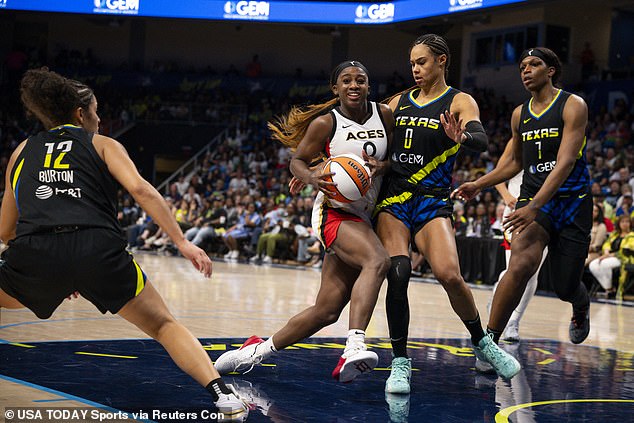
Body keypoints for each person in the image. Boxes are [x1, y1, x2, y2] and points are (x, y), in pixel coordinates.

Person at [0, 68, 248, 421]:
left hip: (37, 251)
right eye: (96, 112)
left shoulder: (21, 151)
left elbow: (5, 229)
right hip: (98, 250)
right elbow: (142, 190)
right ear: (79, 114)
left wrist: (53, 270)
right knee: (163, 325)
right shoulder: (103, 144)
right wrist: (181, 242)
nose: (100, 119)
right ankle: (224, 397)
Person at [214, 60, 393, 383]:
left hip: (367, 216)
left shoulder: (386, 116)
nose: (354, 85)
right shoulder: (326, 123)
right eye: (347, 81)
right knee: (377, 261)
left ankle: (254, 352)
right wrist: (311, 175)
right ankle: (354, 346)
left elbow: (393, 159)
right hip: (334, 213)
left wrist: (382, 166)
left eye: (361, 80)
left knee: (325, 311)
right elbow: (297, 161)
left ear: (369, 86)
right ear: (335, 88)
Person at [374, 34, 520, 394]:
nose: (415, 69)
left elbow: (481, 139)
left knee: (450, 275)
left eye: (421, 61)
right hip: (395, 198)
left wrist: (463, 138)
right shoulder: (397, 101)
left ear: (442, 61)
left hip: (432, 199)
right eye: (412, 63)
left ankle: (483, 343)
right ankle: (400, 362)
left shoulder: (459, 100)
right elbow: (359, 126)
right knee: (399, 270)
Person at [452, 48, 593, 358]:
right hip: (533, 198)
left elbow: (566, 162)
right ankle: (490, 345)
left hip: (571, 201)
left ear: (551, 70)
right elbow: (515, 162)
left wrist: (535, 206)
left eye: (535, 64)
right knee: (519, 266)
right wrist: (480, 183)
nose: (526, 70)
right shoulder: (519, 114)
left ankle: (580, 304)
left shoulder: (573, 105)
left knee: (564, 286)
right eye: (522, 66)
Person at [488, 141, 546, 344]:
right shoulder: (518, 139)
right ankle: (499, 297)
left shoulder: (554, 138)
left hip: (541, 211)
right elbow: (499, 173)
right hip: (515, 210)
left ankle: (514, 320)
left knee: (532, 273)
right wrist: (506, 196)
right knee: (513, 269)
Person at [588, 214, 633, 297]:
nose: (624, 224)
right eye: (622, 222)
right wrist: (606, 251)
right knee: (593, 264)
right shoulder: (615, 234)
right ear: (619, 223)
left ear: (630, 223)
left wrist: (611, 255)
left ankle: (610, 289)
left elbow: (627, 250)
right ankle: (609, 288)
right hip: (609, 257)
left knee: (604, 264)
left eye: (627, 222)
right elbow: (607, 244)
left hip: (624, 258)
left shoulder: (632, 235)